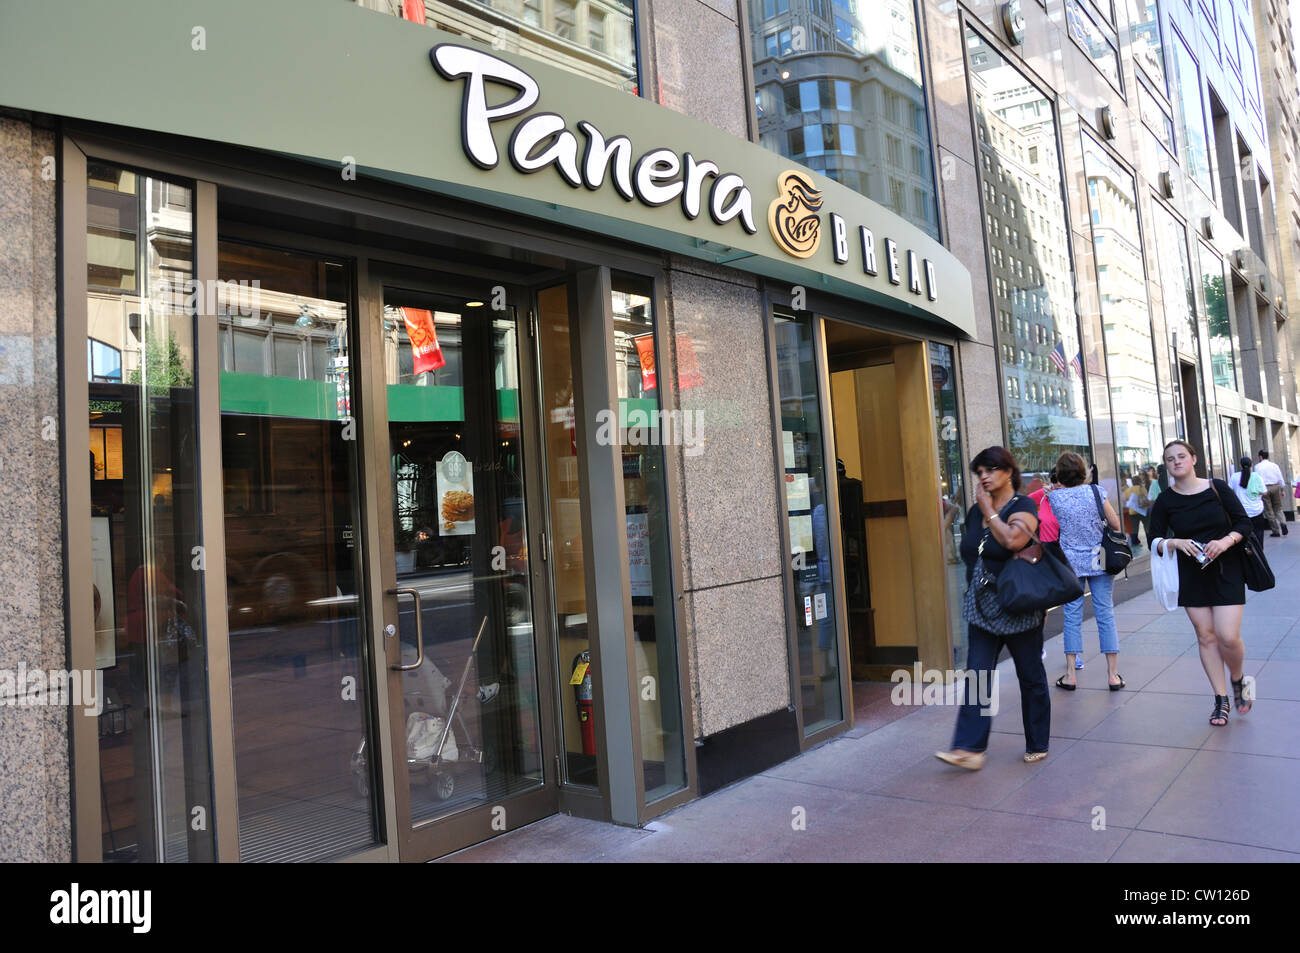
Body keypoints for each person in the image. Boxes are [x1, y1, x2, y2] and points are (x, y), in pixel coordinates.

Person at [936, 446, 1050, 769]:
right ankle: (970, 748)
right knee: (978, 674)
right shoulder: (975, 512)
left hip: (1018, 604)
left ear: (1008, 472)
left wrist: (989, 510)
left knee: (1030, 676)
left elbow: (1015, 540)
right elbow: (972, 552)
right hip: (982, 608)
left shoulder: (1023, 505)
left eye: (989, 470)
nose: (983, 477)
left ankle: (1038, 740)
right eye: (979, 472)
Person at [1148, 440, 1256, 726]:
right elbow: (1153, 539)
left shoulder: (1217, 488)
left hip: (1226, 568)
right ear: (1166, 466)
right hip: (1191, 573)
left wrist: (1225, 541)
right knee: (1206, 636)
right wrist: (1175, 542)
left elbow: (1243, 523)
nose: (1176, 462)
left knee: (1227, 636)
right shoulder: (1166, 500)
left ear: (1194, 458)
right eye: (1170, 459)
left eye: (1181, 456)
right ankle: (1220, 700)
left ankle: (1239, 679)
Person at [1043, 452, 1125, 690]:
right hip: (1099, 558)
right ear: (1083, 472)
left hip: (1071, 561)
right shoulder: (1096, 492)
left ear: (1060, 475)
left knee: (1072, 616)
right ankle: (1112, 675)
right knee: (1105, 614)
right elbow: (1116, 524)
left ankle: (1070, 675)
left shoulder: (1056, 499)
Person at [1228, 457, 1269, 551]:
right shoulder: (1256, 476)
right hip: (1257, 510)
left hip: (1242, 512)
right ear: (1251, 465)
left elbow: (1229, 491)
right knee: (1258, 536)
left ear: (1240, 465)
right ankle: (1259, 554)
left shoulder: (1234, 476)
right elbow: (1264, 492)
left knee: (1243, 536)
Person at [1255, 449, 1288, 537]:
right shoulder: (1274, 465)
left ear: (1260, 457)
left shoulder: (1257, 467)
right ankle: (1283, 523)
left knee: (1268, 510)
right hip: (1275, 487)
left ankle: (1276, 531)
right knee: (1278, 507)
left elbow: (1257, 480)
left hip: (1264, 489)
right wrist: (1282, 490)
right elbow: (1280, 477)